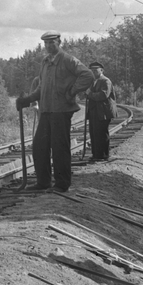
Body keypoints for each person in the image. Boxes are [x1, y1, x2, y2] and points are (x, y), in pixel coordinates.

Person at [14, 31, 94, 192]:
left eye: (52, 42)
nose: (49, 46)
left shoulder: (68, 60)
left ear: (59, 42)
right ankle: (43, 182)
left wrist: (72, 91)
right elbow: (41, 87)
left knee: (59, 147)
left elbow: (88, 75)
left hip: (61, 110)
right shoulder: (45, 62)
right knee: (40, 146)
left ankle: (62, 184)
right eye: (46, 43)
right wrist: (27, 100)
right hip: (46, 110)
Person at [85, 62, 115, 161]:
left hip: (103, 112)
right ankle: (96, 155)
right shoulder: (94, 81)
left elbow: (103, 95)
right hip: (95, 112)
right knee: (94, 133)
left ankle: (103, 155)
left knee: (101, 133)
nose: (94, 72)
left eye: (96, 70)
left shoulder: (105, 81)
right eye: (92, 71)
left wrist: (90, 94)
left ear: (101, 70)